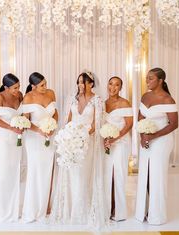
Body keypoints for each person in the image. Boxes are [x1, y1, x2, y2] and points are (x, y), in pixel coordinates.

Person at [49, 72, 105, 227]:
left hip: (87, 142)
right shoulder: (73, 99)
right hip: (71, 141)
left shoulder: (97, 100)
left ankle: (83, 210)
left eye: (84, 82)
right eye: (79, 82)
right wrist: (68, 137)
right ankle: (70, 209)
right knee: (72, 174)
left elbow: (97, 123)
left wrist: (83, 136)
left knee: (83, 175)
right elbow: (68, 120)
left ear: (91, 84)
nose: (80, 85)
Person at [135, 68, 178, 225]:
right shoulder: (145, 96)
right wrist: (142, 136)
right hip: (145, 139)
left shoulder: (168, 99)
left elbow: (174, 124)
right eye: (147, 78)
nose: (147, 81)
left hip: (162, 141)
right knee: (145, 174)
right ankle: (144, 211)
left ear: (160, 81)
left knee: (157, 175)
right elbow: (140, 117)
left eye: (151, 78)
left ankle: (157, 215)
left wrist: (152, 136)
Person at [22, 72, 58, 223]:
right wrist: (40, 131)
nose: (45, 87)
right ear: (33, 86)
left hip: (50, 136)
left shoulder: (51, 93)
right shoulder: (28, 97)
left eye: (46, 83)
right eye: (42, 85)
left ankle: (46, 206)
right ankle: (34, 208)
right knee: (36, 171)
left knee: (48, 170)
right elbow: (26, 121)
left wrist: (52, 127)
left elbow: (55, 114)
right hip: (34, 139)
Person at [0, 73, 23, 222]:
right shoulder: (0, 98)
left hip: (17, 140)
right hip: (3, 140)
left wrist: (23, 124)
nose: (17, 90)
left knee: (14, 171)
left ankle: (14, 208)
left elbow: (23, 114)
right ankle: (3, 210)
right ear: (5, 87)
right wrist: (12, 127)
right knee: (2, 174)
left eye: (19, 87)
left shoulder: (20, 95)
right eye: (14, 88)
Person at [103, 76, 133, 221]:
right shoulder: (103, 103)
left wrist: (114, 138)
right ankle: (108, 207)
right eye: (110, 84)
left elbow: (129, 125)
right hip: (107, 144)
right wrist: (105, 138)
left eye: (116, 85)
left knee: (118, 174)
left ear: (120, 88)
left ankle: (119, 211)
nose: (112, 87)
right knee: (107, 175)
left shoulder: (124, 103)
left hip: (121, 143)